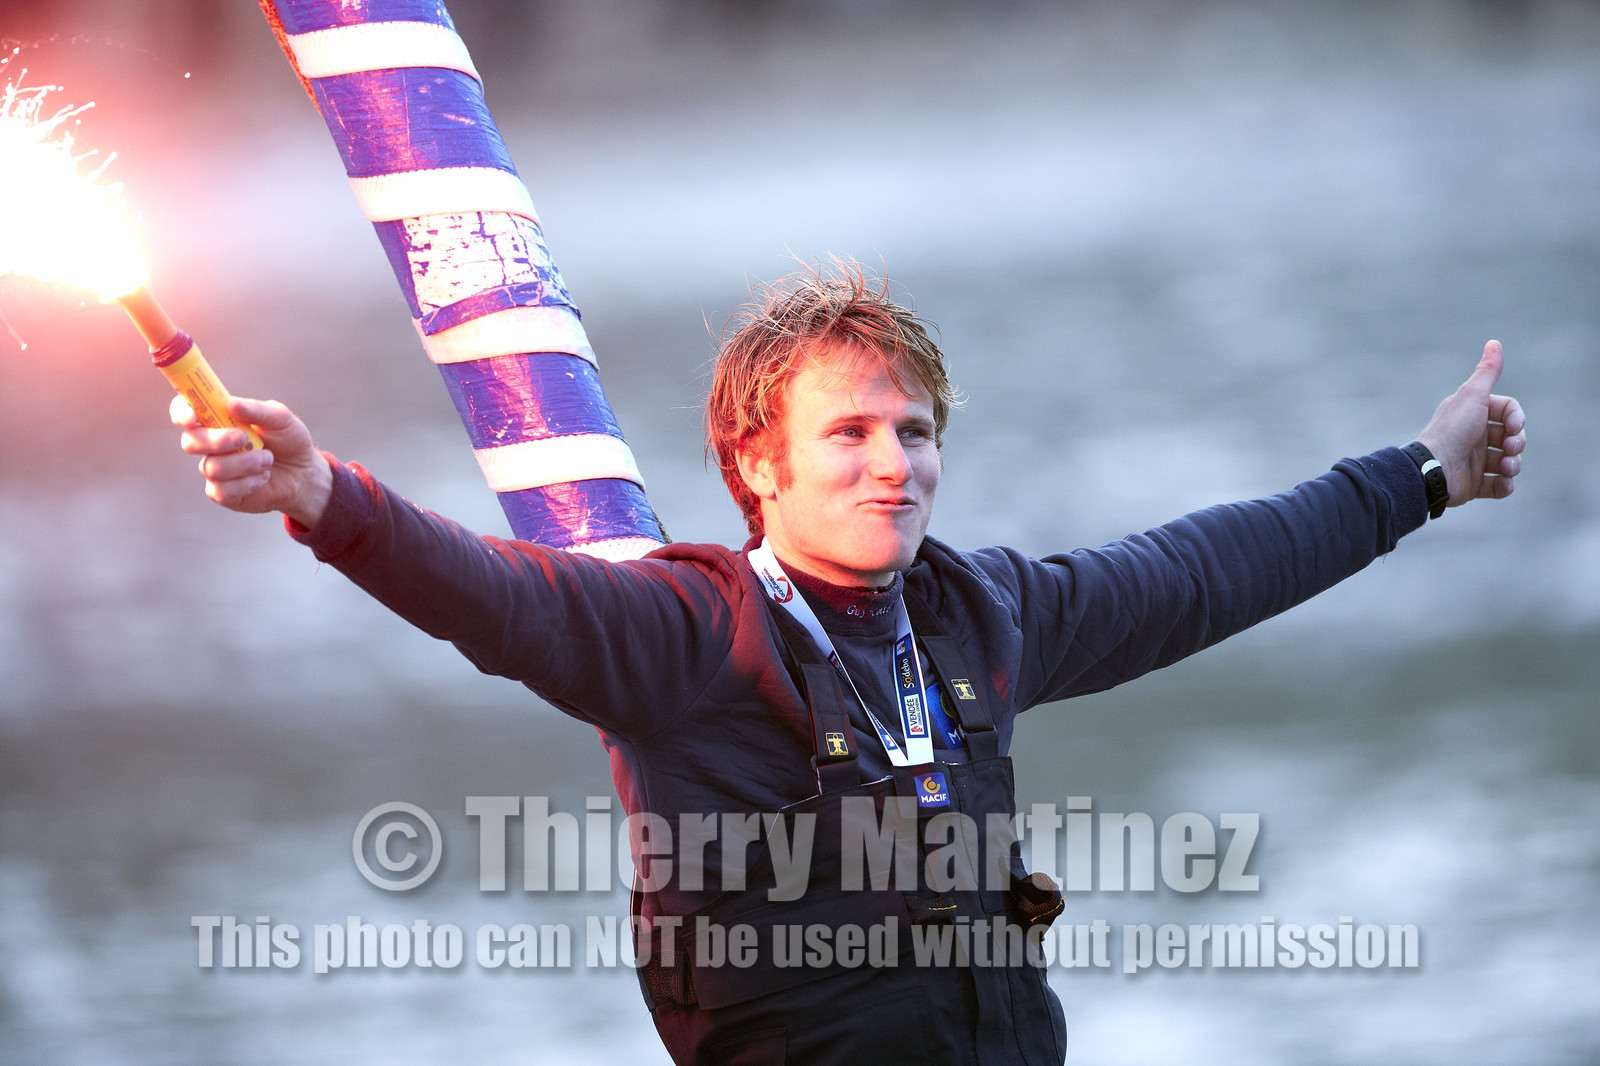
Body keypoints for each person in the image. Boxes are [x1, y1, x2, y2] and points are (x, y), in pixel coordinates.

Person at [175, 264, 1525, 1065]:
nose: (896, 464)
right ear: (757, 465)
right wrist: (326, 496)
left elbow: (1205, 571)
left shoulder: (984, 613)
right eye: (850, 433)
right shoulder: (683, 636)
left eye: (916, 431)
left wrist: (1423, 474)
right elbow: (499, 595)